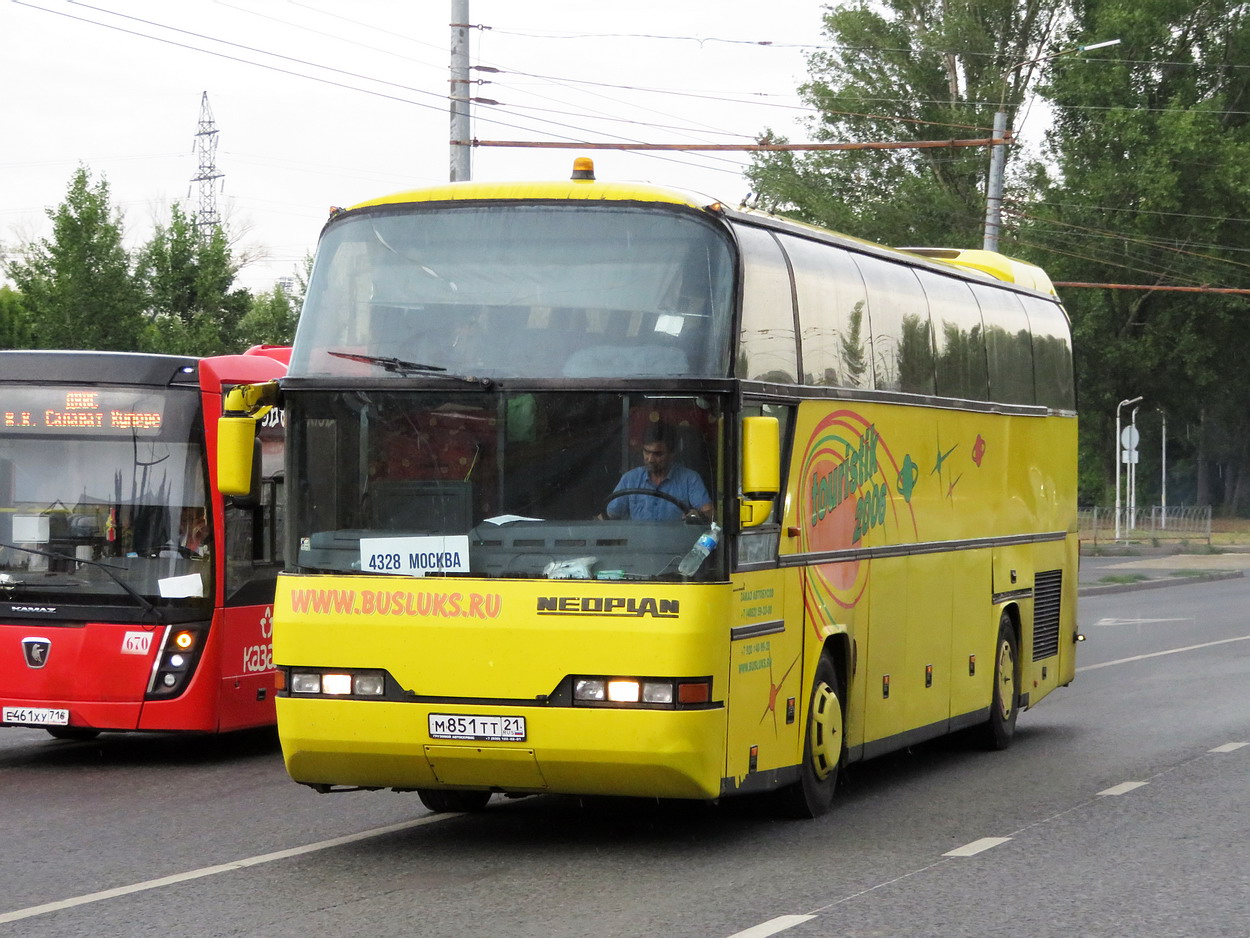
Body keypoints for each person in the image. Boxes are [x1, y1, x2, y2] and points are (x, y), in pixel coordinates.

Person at [603, 422, 713, 522]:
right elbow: (610, 515)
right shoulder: (630, 479)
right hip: (637, 538)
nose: (650, 459)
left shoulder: (690, 479)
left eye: (658, 454)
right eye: (646, 452)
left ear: (672, 454)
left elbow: (710, 513)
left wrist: (697, 515)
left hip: (675, 538)